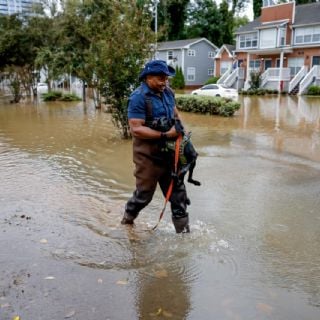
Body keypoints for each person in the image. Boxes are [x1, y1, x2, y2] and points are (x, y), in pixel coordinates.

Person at [121, 60, 190, 233]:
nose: (164, 82)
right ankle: (127, 221)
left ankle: (184, 237)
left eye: (166, 78)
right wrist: (166, 134)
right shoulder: (138, 97)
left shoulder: (168, 92)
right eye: (160, 78)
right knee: (144, 195)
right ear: (147, 77)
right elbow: (136, 129)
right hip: (147, 156)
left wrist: (182, 131)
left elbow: (175, 113)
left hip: (169, 153)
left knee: (178, 195)